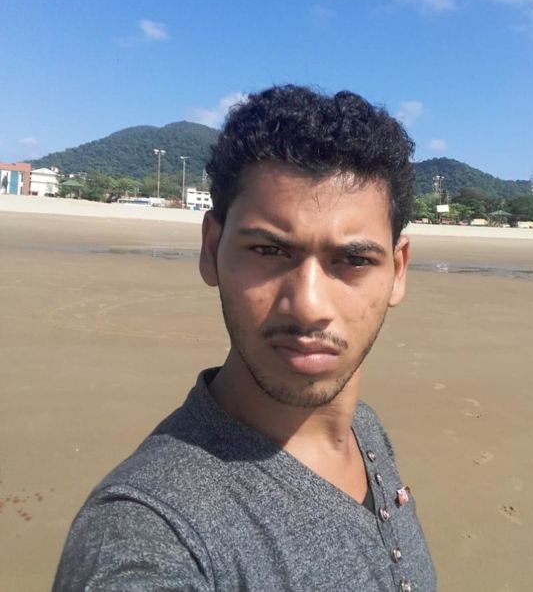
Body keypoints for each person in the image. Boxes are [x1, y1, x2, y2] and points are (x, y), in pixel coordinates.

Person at [54, 85, 437, 591]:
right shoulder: (147, 531)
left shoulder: (364, 431)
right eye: (268, 251)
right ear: (211, 250)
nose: (309, 306)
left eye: (353, 259)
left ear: (398, 270)